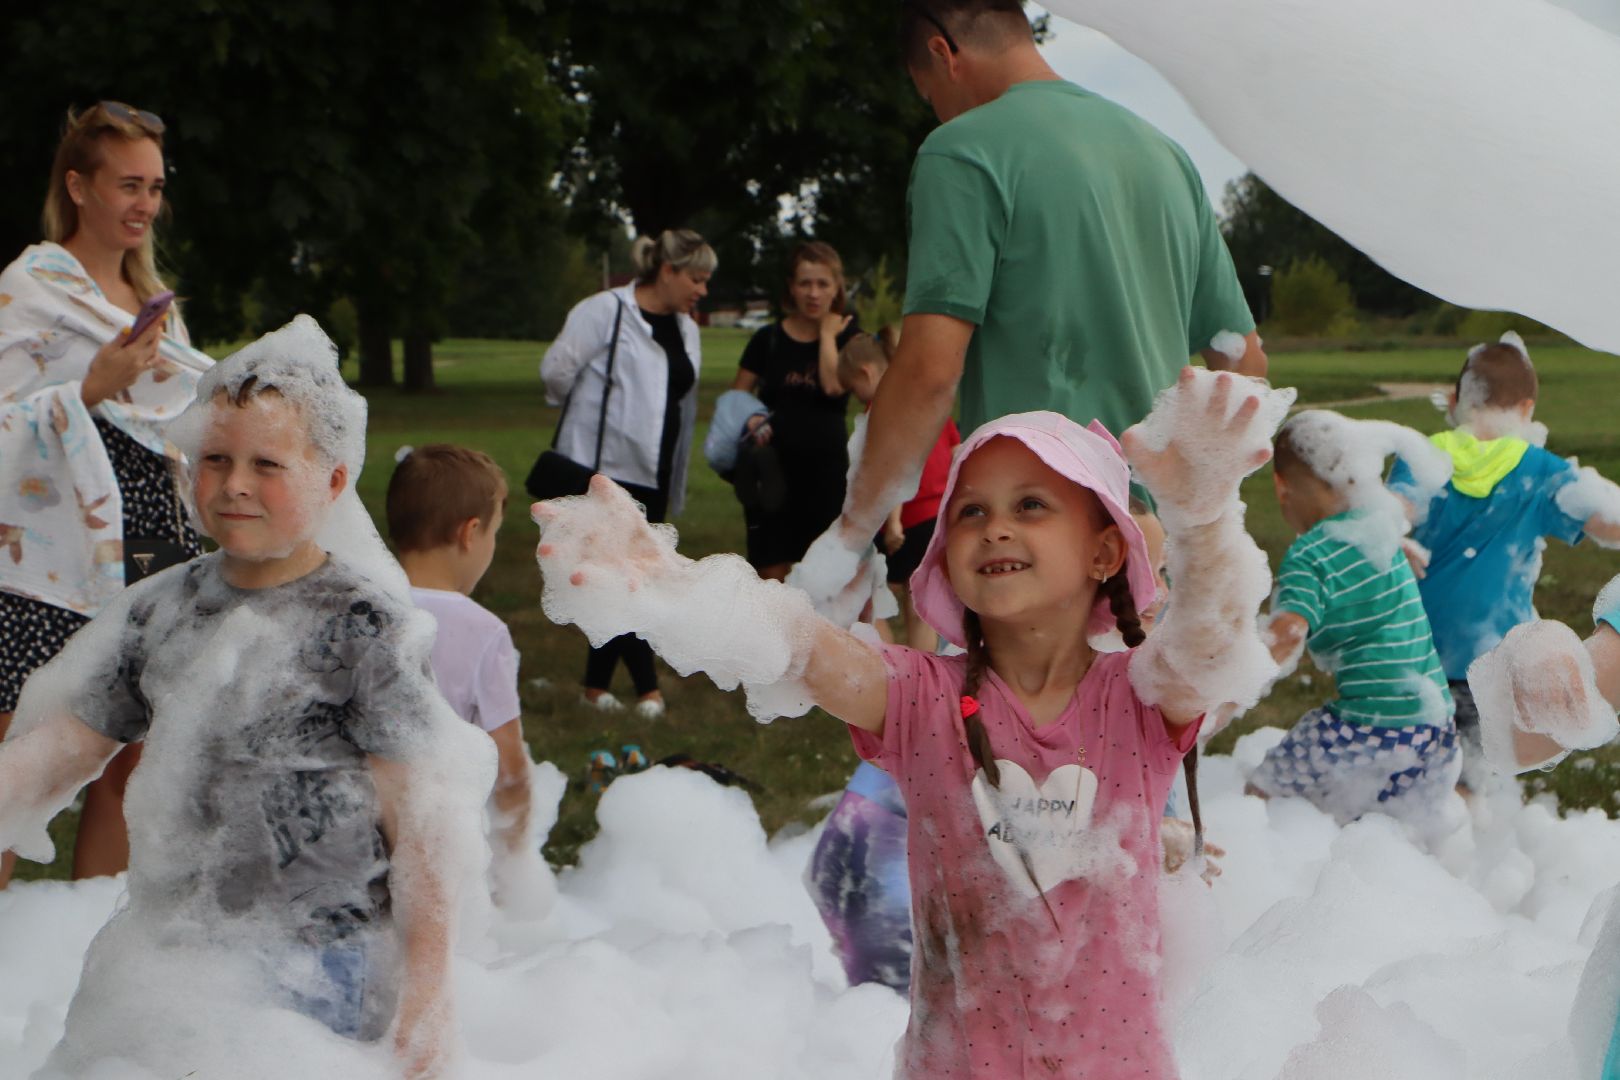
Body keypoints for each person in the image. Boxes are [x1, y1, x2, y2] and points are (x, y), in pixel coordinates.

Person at [534, 368, 1285, 1078]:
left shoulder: (1139, 698)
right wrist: (670, 588)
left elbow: (1211, 649)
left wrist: (1205, 518)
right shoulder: (922, 698)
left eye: (1031, 505)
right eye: (971, 510)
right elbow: (802, 648)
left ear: (1104, 550)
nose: (995, 528)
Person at [0, 318, 491, 1078]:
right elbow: (63, 749)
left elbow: (422, 821)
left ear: (332, 480)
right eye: (215, 458)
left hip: (322, 963)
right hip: (176, 954)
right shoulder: (161, 610)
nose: (233, 484)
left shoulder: (364, 625)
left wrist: (428, 1001)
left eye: (267, 464)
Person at [792, 1, 1267, 617]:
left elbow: (930, 371)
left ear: (942, 52)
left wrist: (852, 533)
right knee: (1136, 714)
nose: (933, 107)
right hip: (1151, 549)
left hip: (1030, 543)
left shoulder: (962, 150)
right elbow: (1243, 362)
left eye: (925, 89)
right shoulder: (1165, 154)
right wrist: (1184, 507)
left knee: (1007, 716)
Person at [0, 101, 213, 888]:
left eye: (155, 187)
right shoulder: (31, 286)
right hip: (49, 558)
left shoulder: (157, 300)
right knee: (16, 767)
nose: (145, 204)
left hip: (156, 540)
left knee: (129, 763)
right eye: (129, 184)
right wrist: (90, 387)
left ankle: (76, 949)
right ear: (79, 186)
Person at [1388, 332, 1620, 788]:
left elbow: (1392, 515)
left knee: (1411, 777)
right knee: (1482, 775)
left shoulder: (1425, 457)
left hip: (1418, 649)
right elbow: (1605, 521)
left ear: (1457, 400)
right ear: (1527, 409)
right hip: (1495, 658)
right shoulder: (1540, 470)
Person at [1248, 415, 1460, 828]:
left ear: (1280, 487)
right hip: (1437, 729)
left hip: (1370, 730)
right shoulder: (1378, 527)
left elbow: (1289, 632)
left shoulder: (1308, 557)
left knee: (1261, 794)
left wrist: (1229, 688)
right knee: (1403, 838)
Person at [540, 229, 714, 717]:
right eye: (696, 279)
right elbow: (556, 371)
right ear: (668, 271)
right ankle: (647, 690)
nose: (703, 291)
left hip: (656, 470)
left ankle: (595, 688)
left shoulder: (687, 328)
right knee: (627, 579)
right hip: (605, 471)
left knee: (629, 576)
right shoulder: (605, 311)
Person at [387, 444, 550, 916]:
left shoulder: (363, 604)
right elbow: (510, 767)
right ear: (470, 533)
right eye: (496, 533)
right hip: (443, 847)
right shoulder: (484, 633)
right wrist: (514, 860)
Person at [731, 242, 862, 580]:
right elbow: (736, 399)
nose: (814, 293)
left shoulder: (850, 339)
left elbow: (834, 386)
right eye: (805, 283)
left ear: (837, 288)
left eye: (823, 284)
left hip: (826, 478)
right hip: (771, 474)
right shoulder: (767, 339)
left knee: (822, 581)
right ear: (791, 287)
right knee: (771, 580)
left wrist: (829, 336)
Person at [837, 327, 958, 651]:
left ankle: (887, 667)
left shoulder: (879, 412)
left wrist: (892, 524)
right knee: (920, 604)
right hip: (938, 517)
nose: (856, 397)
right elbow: (954, 450)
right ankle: (924, 674)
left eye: (854, 389)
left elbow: (891, 471)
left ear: (867, 372)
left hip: (904, 519)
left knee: (866, 594)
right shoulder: (927, 402)